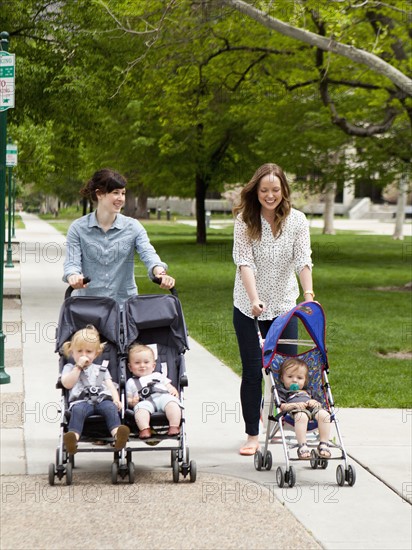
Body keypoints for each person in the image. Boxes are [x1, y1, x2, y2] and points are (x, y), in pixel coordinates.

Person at [232, 163, 315, 456]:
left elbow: (302, 259)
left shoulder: (298, 221)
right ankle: (253, 435)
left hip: (284, 306)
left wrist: (308, 295)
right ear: (256, 191)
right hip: (247, 306)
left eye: (275, 190)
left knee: (287, 370)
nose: (270, 196)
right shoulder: (245, 220)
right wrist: (254, 299)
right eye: (264, 190)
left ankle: (286, 425)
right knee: (253, 371)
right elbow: (245, 262)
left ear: (284, 190)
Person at [63, 168, 175, 305]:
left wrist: (160, 273)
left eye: (123, 193)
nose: (121, 198)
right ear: (99, 194)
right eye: (115, 193)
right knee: (87, 328)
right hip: (89, 306)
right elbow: (72, 264)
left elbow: (149, 254)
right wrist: (73, 276)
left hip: (124, 306)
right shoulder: (78, 228)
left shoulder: (133, 227)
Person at [61, 325, 130, 453]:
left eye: (88, 352)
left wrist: (116, 399)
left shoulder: (101, 369)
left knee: (110, 408)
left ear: (96, 353)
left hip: (102, 400)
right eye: (79, 351)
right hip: (80, 401)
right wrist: (78, 367)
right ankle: (73, 439)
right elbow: (67, 384)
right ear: (72, 352)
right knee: (77, 412)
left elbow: (110, 385)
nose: (84, 355)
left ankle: (118, 435)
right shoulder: (70, 368)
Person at [278, 357, 331, 459]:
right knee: (301, 416)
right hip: (295, 412)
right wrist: (294, 405)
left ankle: (324, 444)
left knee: (325, 415)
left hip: (312, 411)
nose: (294, 380)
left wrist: (313, 402)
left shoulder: (309, 392)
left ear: (305, 380)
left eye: (299, 378)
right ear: (282, 378)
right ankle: (303, 446)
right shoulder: (283, 392)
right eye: (289, 376)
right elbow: (281, 406)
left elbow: (320, 404)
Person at [126, 343, 182, 439]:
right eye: (137, 363)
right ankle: (144, 429)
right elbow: (128, 398)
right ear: (130, 367)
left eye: (146, 362)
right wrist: (132, 402)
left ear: (153, 366)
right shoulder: (131, 382)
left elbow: (168, 385)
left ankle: (174, 426)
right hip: (144, 402)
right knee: (139, 410)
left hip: (163, 397)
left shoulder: (158, 375)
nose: (142, 365)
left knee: (172, 404)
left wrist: (173, 390)